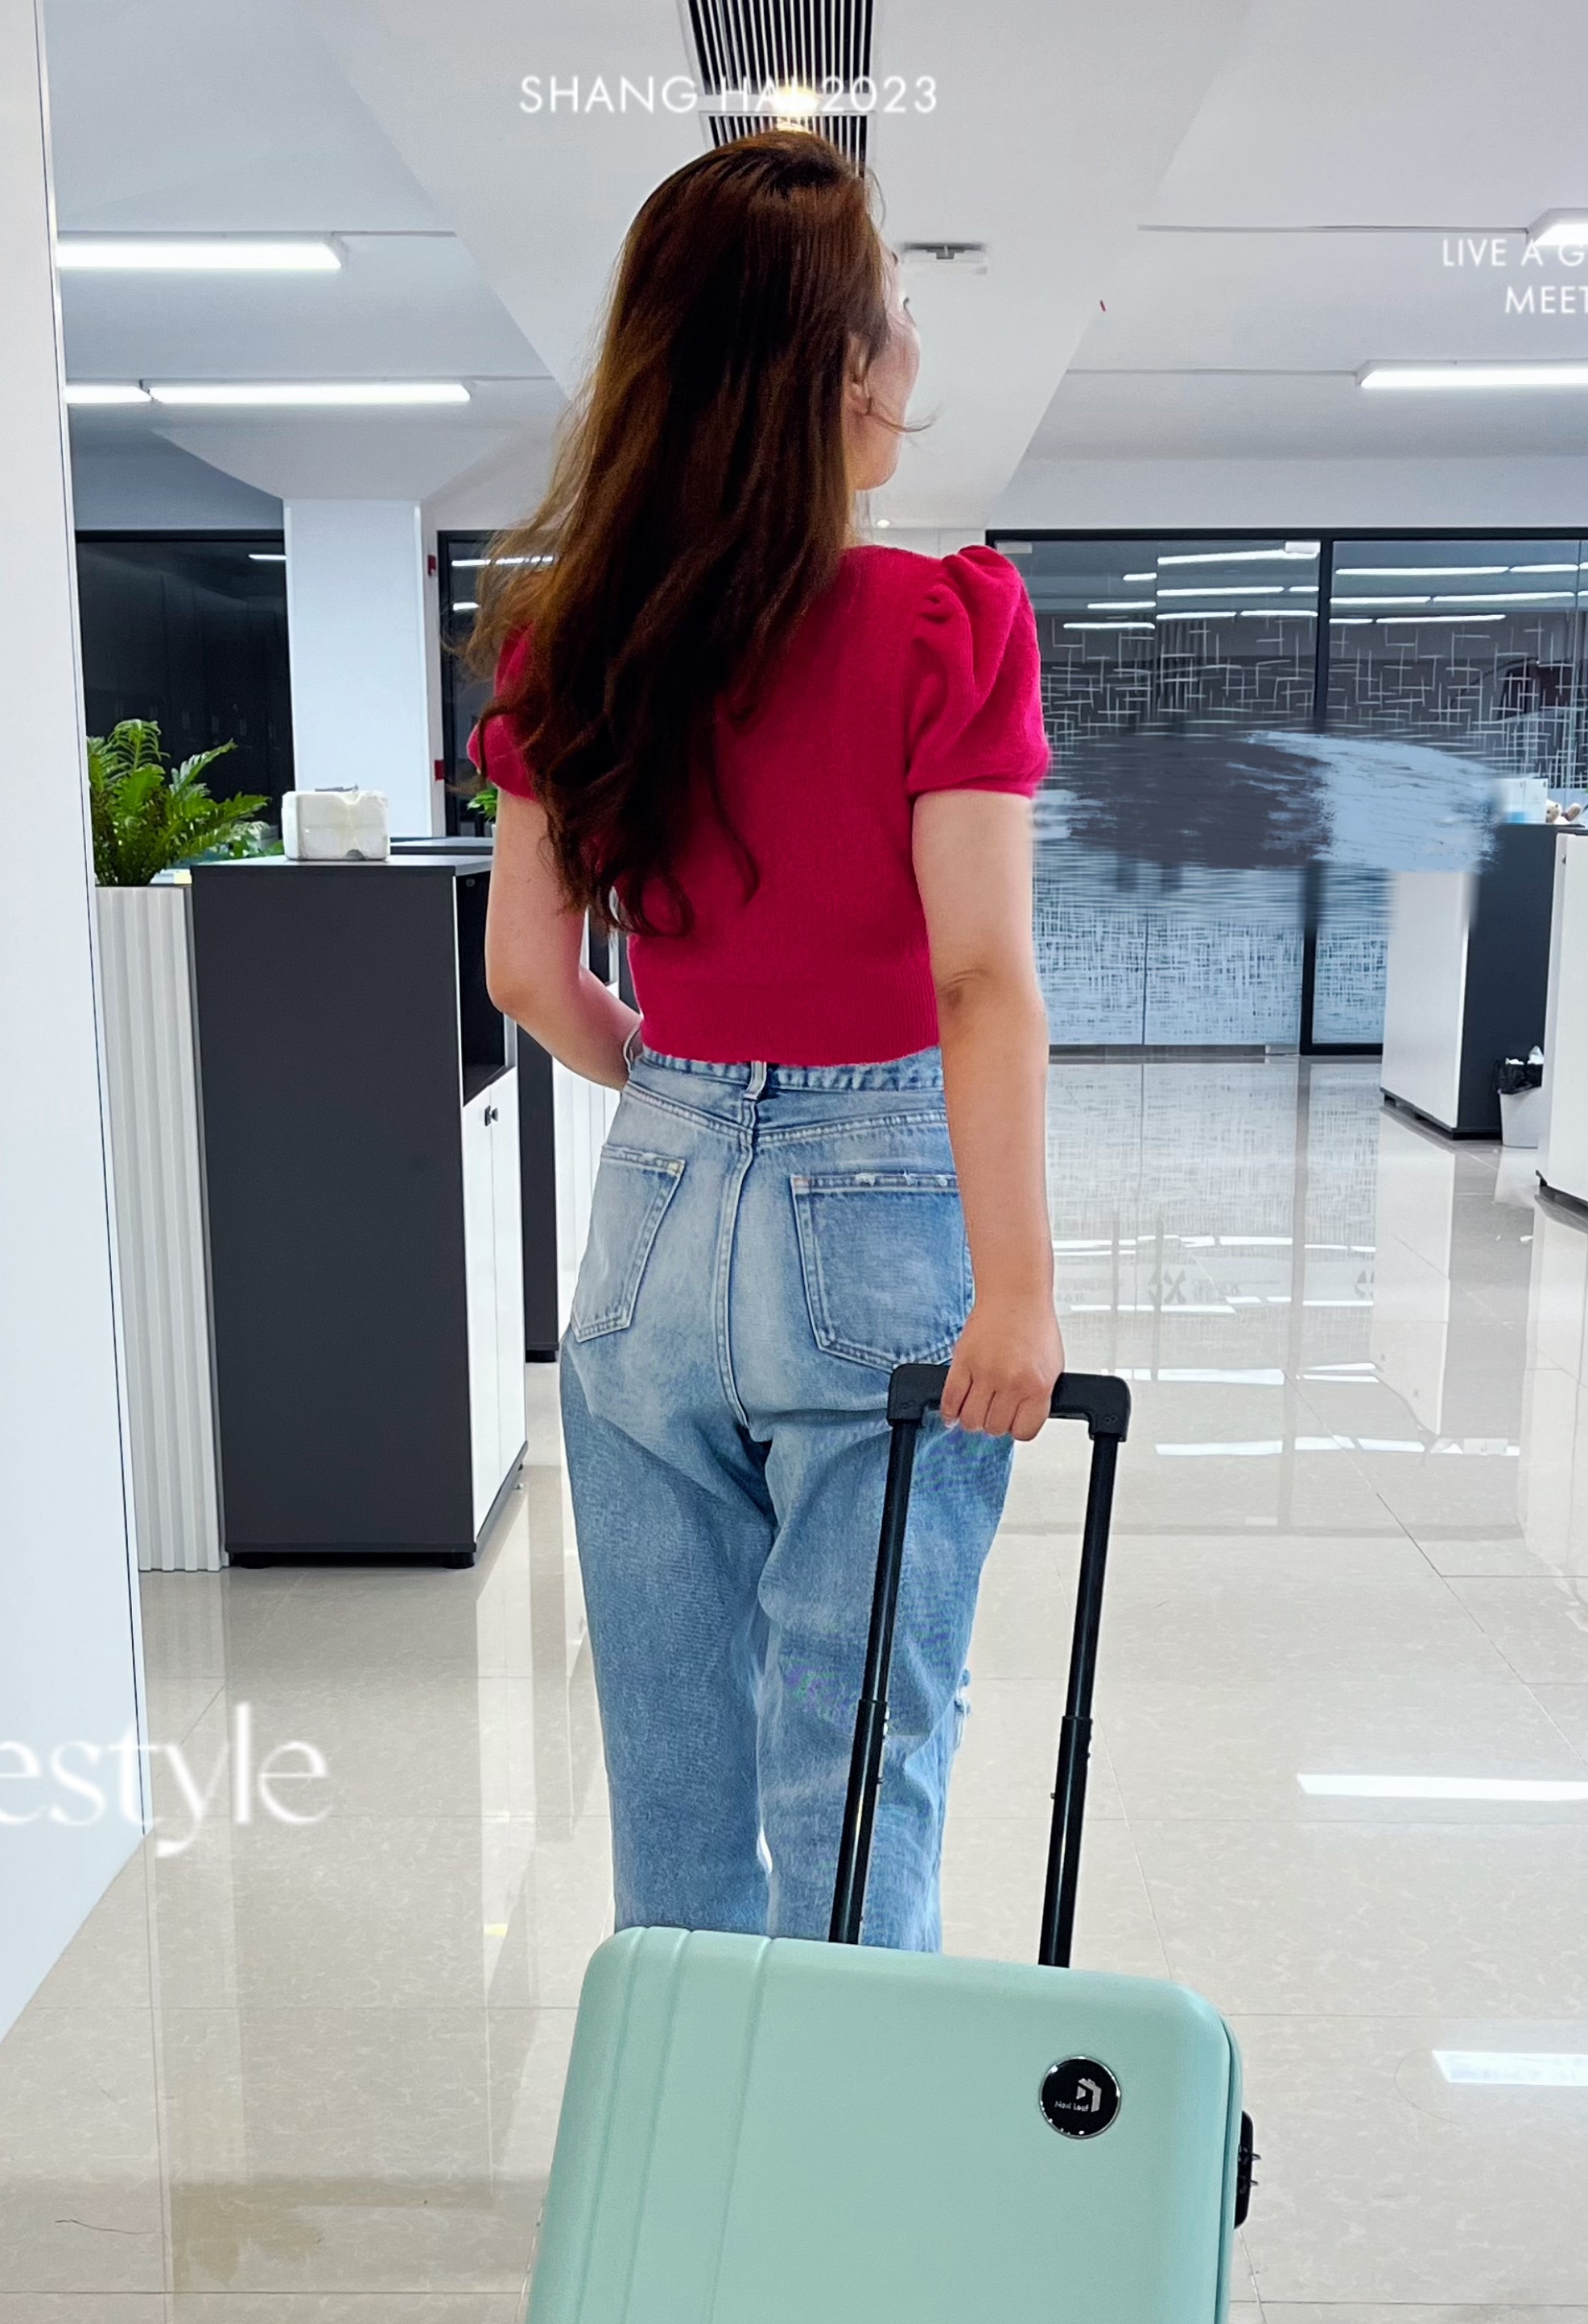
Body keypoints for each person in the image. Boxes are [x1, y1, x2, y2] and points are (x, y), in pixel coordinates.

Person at [469, 130, 1059, 1952]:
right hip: (877, 1224)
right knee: (859, 1762)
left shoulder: (575, 638)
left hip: (648, 1222)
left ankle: (692, 2106)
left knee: (672, 1770)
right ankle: (850, 2116)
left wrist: (684, 1095)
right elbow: (977, 978)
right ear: (843, 367)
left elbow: (526, 977)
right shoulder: (942, 623)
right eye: (896, 315)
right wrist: (1019, 1292)